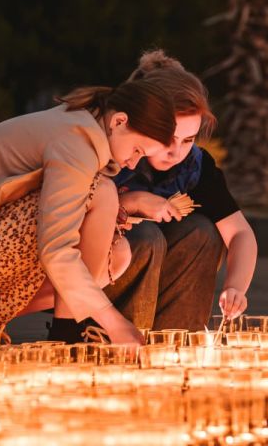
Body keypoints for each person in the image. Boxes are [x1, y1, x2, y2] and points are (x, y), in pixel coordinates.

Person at [0, 80, 176, 347]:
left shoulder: (84, 128)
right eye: (137, 151)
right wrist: (115, 322)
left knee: (116, 256)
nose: (132, 162)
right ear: (119, 121)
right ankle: (67, 336)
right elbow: (56, 249)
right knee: (102, 192)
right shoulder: (76, 141)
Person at [105, 50, 258, 330]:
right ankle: (116, 342)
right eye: (167, 138)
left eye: (188, 139)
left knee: (201, 231)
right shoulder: (112, 151)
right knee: (147, 236)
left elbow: (240, 233)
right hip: (106, 275)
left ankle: (175, 342)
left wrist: (236, 287)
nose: (176, 152)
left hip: (165, 276)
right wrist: (132, 201)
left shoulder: (195, 167)